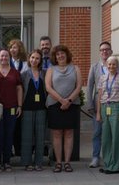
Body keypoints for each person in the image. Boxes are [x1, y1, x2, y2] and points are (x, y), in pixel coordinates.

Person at [44, 44, 79, 172]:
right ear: (55, 57)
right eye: (58, 54)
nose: (60, 55)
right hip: (54, 105)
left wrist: (68, 101)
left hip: (72, 104)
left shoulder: (75, 68)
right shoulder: (51, 69)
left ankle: (67, 162)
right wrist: (61, 100)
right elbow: (48, 87)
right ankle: (58, 162)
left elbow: (79, 86)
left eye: (62, 53)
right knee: (57, 134)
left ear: (66, 54)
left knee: (69, 133)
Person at [95, 54, 119, 174]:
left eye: (114, 64)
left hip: (117, 107)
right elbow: (99, 96)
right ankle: (108, 164)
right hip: (105, 107)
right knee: (106, 138)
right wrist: (98, 113)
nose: (111, 66)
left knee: (117, 137)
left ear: (117, 65)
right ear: (106, 65)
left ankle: (116, 166)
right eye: (109, 64)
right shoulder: (102, 78)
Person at [0, 49, 23, 172]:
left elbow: (19, 89)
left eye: (6, 56)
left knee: (9, 134)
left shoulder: (15, 72)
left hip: (11, 107)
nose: (4, 57)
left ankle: (7, 161)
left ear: (9, 57)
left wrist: (20, 106)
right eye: (2, 55)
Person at [86, 41, 114, 169]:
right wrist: (90, 104)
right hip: (98, 103)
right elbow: (90, 86)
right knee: (97, 132)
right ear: (99, 52)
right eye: (102, 50)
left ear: (111, 51)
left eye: (107, 49)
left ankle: (109, 157)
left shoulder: (118, 66)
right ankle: (96, 157)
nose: (105, 52)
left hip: (114, 103)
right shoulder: (94, 67)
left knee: (111, 132)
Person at [19, 49, 48, 171]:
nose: (34, 60)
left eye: (37, 58)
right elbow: (20, 91)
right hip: (27, 108)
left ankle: (39, 162)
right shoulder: (24, 74)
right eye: (32, 58)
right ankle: (27, 162)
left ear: (40, 60)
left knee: (40, 136)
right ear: (29, 59)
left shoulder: (45, 73)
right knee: (27, 136)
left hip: (41, 108)